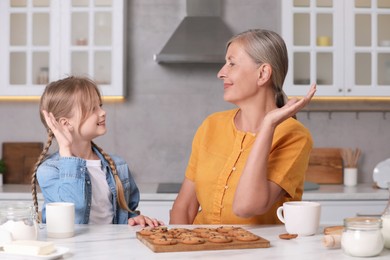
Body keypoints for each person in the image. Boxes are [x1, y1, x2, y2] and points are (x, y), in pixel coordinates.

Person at [170, 29, 316, 225]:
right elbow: (185, 207)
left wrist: (267, 126)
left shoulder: (294, 136)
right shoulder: (211, 125)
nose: (220, 73)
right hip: (201, 251)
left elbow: (246, 207)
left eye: (232, 63)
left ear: (263, 73)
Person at [31, 76, 162, 227]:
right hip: (72, 248)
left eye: (100, 105)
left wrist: (134, 219)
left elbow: (125, 212)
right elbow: (74, 207)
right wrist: (65, 150)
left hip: (111, 248)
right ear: (65, 123)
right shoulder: (49, 171)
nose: (103, 112)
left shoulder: (117, 165)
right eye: (93, 109)